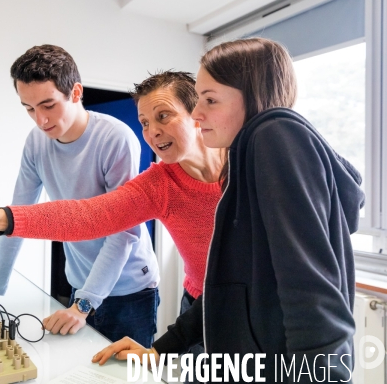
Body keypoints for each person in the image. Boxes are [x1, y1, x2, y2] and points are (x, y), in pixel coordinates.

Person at [92, 38, 364, 382]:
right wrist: (159, 349)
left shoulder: (274, 134)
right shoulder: (244, 162)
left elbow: (311, 291)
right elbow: (228, 286)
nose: (198, 113)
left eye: (209, 100)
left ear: (250, 96)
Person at [0, 71, 224, 367]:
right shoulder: (157, 185)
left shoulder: (244, 163)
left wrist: (85, 304)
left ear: (198, 112)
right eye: (144, 122)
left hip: (239, 300)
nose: (152, 132)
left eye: (163, 116)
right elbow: (87, 216)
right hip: (198, 302)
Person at [0, 44, 161, 347]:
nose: (40, 120)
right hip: (80, 285)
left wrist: (84, 304)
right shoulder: (36, 142)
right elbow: (16, 217)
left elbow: (123, 230)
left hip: (129, 290)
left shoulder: (116, 138)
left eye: (48, 105)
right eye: (29, 109)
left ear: (75, 92)